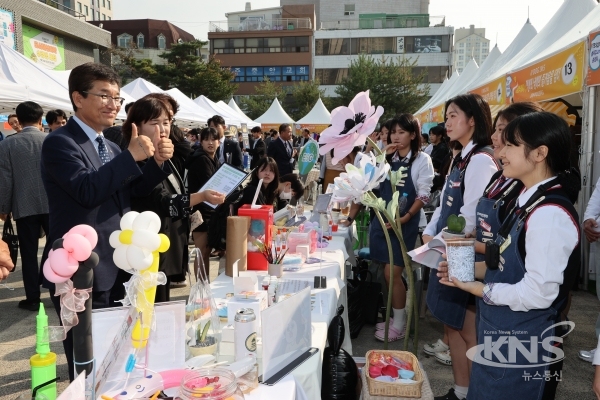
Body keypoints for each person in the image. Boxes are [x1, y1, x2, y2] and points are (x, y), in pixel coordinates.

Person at [41, 62, 172, 380]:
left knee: (119, 355)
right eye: (105, 96)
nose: (114, 105)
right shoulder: (60, 143)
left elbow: (130, 192)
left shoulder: (112, 146)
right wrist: (131, 157)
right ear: (78, 98)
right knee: (87, 361)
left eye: (117, 98)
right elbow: (87, 190)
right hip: (81, 269)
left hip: (118, 263)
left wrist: (156, 162)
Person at [437, 111, 581, 400]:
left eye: (511, 145)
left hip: (523, 345)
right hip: (499, 335)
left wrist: (475, 286)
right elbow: (503, 262)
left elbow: (538, 294)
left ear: (540, 153)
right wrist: (465, 270)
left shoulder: (549, 214)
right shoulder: (525, 202)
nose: (500, 152)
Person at [421, 93, 499, 400]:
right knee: (451, 327)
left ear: (473, 120)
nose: (447, 121)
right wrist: (428, 235)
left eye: (454, 115)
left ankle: (473, 393)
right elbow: (443, 207)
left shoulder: (481, 159)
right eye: (447, 116)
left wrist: (439, 242)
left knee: (467, 330)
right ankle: (460, 390)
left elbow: (471, 214)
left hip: (465, 253)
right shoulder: (461, 156)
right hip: (449, 249)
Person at [123, 96, 224, 301]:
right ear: (137, 127)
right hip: (146, 252)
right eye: (154, 123)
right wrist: (201, 196)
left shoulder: (165, 156)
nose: (163, 129)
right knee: (147, 311)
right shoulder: (134, 160)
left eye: (167, 123)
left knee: (161, 309)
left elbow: (174, 193)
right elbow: (163, 201)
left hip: (165, 247)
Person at [370, 114, 434, 342]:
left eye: (401, 132)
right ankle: (394, 315)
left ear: (413, 135)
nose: (395, 137)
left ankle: (399, 322)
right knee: (387, 274)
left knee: (392, 273)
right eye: (392, 132)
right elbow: (373, 183)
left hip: (404, 222)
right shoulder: (387, 157)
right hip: (383, 220)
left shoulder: (422, 160)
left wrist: (405, 217)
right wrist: (382, 159)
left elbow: (424, 194)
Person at [0, 101, 49, 311]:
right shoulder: (51, 140)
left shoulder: (8, 144)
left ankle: (33, 298)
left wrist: (4, 207)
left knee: (29, 253)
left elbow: (6, 178)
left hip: (23, 205)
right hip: (52, 204)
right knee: (60, 248)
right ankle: (59, 290)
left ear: (17, 121)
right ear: (41, 119)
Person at [186, 127, 222, 275]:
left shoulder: (213, 159)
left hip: (209, 211)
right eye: (206, 139)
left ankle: (204, 287)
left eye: (213, 139)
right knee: (201, 252)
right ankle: (200, 289)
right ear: (201, 142)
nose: (210, 143)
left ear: (219, 142)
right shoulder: (201, 159)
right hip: (200, 212)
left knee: (206, 252)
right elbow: (212, 185)